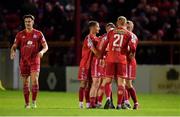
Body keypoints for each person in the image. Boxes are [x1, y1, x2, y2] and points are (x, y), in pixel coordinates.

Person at [10, 14, 48, 109]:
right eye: (26, 21)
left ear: (33, 22)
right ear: (24, 23)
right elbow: (14, 46)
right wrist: (12, 52)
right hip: (24, 61)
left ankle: (34, 102)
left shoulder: (38, 34)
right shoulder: (20, 34)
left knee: (35, 81)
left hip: (35, 59)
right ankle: (27, 104)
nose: (28, 23)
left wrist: (42, 52)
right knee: (25, 83)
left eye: (29, 21)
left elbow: (46, 46)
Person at [101, 16, 136, 109]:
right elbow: (133, 47)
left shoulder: (111, 32)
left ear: (117, 23)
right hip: (121, 59)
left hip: (110, 58)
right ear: (125, 24)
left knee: (108, 81)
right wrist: (132, 53)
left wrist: (101, 57)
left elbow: (104, 45)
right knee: (121, 83)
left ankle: (108, 99)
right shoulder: (128, 34)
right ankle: (120, 105)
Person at [78, 21, 100, 108]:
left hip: (92, 65)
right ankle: (80, 103)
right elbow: (93, 49)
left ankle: (88, 103)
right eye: (97, 27)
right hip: (85, 64)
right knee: (83, 84)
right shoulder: (89, 38)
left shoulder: (95, 38)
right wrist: (99, 55)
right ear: (92, 27)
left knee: (90, 84)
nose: (99, 28)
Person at [96, 22, 116, 108]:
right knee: (119, 82)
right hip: (115, 59)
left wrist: (101, 58)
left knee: (105, 81)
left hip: (105, 59)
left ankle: (103, 101)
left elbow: (99, 48)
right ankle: (117, 103)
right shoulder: (116, 35)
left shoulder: (103, 37)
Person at [124, 20, 139, 109]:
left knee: (127, 84)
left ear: (132, 27)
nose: (128, 28)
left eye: (129, 26)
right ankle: (126, 102)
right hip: (124, 61)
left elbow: (132, 49)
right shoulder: (127, 35)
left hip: (129, 62)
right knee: (123, 83)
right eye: (127, 26)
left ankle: (135, 103)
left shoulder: (131, 36)